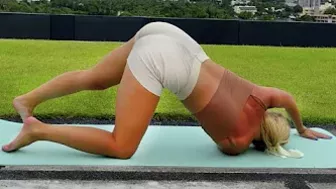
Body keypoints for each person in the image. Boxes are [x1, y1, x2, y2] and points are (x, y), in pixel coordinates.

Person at [2, 22, 332, 159]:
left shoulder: (262, 96)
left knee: (96, 77)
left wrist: (301, 127)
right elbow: (228, 142)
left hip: (171, 35)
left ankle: (28, 99)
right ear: (264, 142)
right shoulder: (238, 143)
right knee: (122, 146)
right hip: (163, 59)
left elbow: (287, 99)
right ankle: (38, 130)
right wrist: (279, 142)